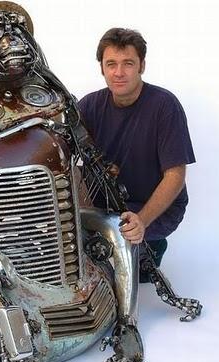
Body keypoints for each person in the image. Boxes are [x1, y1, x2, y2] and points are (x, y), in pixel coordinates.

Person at [78, 28, 195, 282]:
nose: (119, 72)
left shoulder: (165, 106)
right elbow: (67, 161)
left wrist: (142, 220)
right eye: (111, 64)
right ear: (102, 68)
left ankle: (153, 245)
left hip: (152, 208)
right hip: (104, 203)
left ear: (142, 65)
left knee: (138, 274)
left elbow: (175, 175)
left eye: (128, 63)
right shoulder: (88, 106)